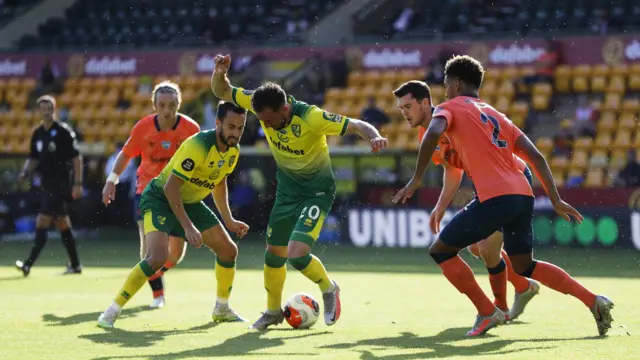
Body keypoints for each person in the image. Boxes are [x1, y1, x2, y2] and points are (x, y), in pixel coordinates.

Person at [393, 56, 613, 337]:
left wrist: (417, 179)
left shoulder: (449, 109)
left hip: (495, 196)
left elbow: (434, 131)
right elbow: (536, 156)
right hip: (523, 194)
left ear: (456, 83)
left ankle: (489, 311)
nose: (445, 92)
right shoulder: (496, 114)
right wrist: (555, 199)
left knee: (441, 250)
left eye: (447, 86)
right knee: (524, 265)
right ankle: (594, 301)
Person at [211, 54, 388, 330]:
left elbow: (356, 124)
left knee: (296, 255)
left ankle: (329, 288)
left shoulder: (312, 117)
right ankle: (272, 312)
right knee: (273, 255)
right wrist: (220, 72)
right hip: (287, 192)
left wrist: (374, 137)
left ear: (284, 109)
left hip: (316, 192)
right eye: (261, 121)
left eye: (269, 120)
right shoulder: (259, 101)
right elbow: (221, 91)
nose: (265, 126)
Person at [393, 80, 540, 322]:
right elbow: (453, 170)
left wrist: (420, 183)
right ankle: (522, 287)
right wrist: (440, 207)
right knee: (475, 247)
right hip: (489, 180)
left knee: (483, 248)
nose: (405, 113)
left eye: (408, 106)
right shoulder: (427, 133)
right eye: (401, 109)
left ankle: (502, 306)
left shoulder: (448, 119)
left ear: (425, 103)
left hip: (510, 174)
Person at [97, 101, 249, 328]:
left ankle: (222, 309)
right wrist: (188, 227)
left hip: (189, 201)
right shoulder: (198, 145)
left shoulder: (232, 151)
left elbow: (219, 184)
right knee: (156, 258)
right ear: (218, 123)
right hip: (159, 198)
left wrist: (229, 220)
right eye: (231, 127)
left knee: (228, 251)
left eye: (240, 128)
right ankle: (111, 311)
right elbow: (170, 187)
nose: (235, 133)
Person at [102, 81, 200, 308]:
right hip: (147, 192)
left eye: (173, 105)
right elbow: (125, 155)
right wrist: (111, 180)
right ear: (154, 105)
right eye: (163, 105)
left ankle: (154, 272)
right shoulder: (143, 128)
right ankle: (157, 294)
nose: (167, 110)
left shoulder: (191, 129)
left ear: (179, 104)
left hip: (177, 195)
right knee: (150, 250)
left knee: (175, 254)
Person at [16, 95, 83, 276]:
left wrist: (78, 183)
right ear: (39, 110)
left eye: (49, 108)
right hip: (46, 184)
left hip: (60, 184)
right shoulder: (38, 133)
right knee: (62, 223)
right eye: (43, 108)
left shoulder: (63, 132)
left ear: (54, 109)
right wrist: (24, 172)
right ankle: (75, 265)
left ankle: (28, 264)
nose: (46, 112)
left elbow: (76, 158)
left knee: (42, 220)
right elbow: (33, 157)